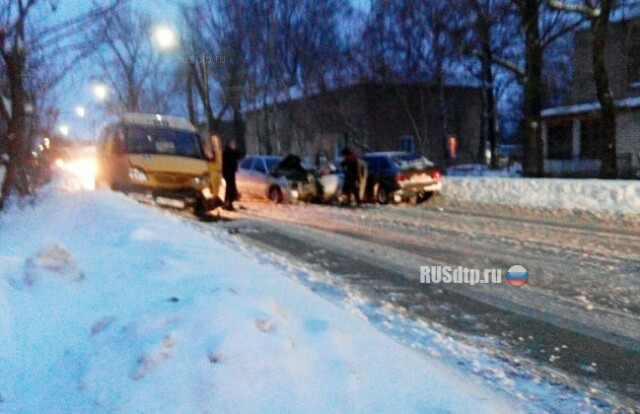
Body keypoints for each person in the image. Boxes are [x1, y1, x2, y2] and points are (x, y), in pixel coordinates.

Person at [222, 139, 241, 211]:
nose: (234, 145)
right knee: (229, 188)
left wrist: (235, 150)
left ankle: (229, 202)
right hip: (227, 173)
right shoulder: (226, 152)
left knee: (231, 188)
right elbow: (225, 163)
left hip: (231, 172)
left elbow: (238, 155)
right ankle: (227, 203)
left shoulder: (232, 152)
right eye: (232, 144)